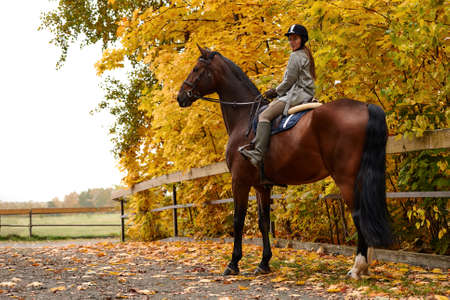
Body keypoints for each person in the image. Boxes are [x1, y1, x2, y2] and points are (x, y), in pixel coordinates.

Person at [239, 24, 316, 168]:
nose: (292, 42)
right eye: (290, 39)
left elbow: (289, 81)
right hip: (303, 92)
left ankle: (258, 153)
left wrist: (275, 91)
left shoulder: (296, 56)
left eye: (295, 39)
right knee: (270, 107)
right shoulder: (305, 53)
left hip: (297, 94)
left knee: (264, 116)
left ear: (302, 40)